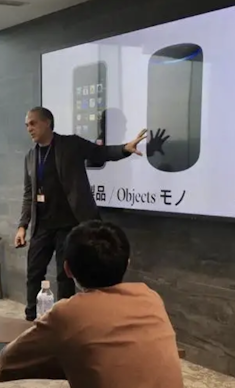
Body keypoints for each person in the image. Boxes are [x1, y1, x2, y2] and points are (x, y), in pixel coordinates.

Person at [0, 220, 188, 388]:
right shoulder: (151, 298)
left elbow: (7, 360)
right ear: (128, 262)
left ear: (67, 268)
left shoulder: (67, 313)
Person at [15, 107, 147, 321]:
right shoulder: (31, 156)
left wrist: (125, 148)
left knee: (64, 275)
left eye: (33, 123)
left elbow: (100, 153)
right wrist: (22, 225)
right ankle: (31, 319)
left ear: (47, 122)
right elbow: (28, 193)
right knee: (34, 272)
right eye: (27, 125)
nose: (29, 128)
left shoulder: (70, 144)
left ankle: (66, 320)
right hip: (43, 225)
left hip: (70, 223)